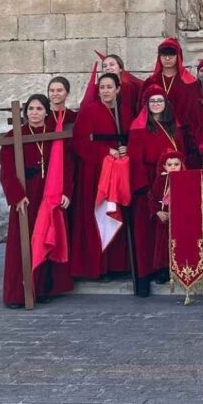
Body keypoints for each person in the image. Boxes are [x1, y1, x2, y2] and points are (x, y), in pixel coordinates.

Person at [0, 94, 74, 307]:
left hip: (48, 193)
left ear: (46, 112)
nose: (34, 113)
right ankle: (16, 294)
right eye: (30, 109)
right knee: (21, 241)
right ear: (25, 113)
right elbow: (7, 170)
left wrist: (66, 191)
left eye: (39, 109)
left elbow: (67, 166)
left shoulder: (54, 135)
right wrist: (16, 196)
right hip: (25, 194)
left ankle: (41, 289)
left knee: (46, 237)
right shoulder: (15, 135)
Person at [70, 73, 134, 279]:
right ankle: (99, 266)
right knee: (99, 216)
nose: (105, 91)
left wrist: (126, 149)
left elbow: (133, 138)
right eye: (102, 87)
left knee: (118, 213)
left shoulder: (126, 112)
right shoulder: (89, 112)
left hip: (120, 172)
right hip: (96, 173)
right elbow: (79, 142)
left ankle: (118, 265)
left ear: (118, 89)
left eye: (109, 87)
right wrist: (106, 152)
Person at [127, 86, 187, 295]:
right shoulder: (139, 129)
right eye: (152, 101)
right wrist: (145, 189)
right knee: (148, 232)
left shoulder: (174, 127)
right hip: (151, 185)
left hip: (174, 182)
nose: (156, 104)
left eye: (159, 100)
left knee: (172, 229)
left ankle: (170, 267)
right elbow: (136, 161)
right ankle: (149, 273)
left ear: (166, 103)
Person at [149, 150, 185, 283]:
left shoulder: (186, 180)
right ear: (164, 166)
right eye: (170, 165)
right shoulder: (160, 180)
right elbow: (152, 198)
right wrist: (157, 212)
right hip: (163, 220)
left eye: (176, 164)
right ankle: (163, 271)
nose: (173, 167)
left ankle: (180, 270)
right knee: (163, 247)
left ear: (181, 165)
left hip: (179, 219)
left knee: (179, 245)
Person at [143, 38, 198, 125]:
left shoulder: (189, 82)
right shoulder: (151, 82)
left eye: (171, 55)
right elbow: (143, 109)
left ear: (178, 57)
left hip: (182, 128)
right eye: (164, 55)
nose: (167, 58)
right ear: (159, 57)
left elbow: (194, 110)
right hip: (155, 127)